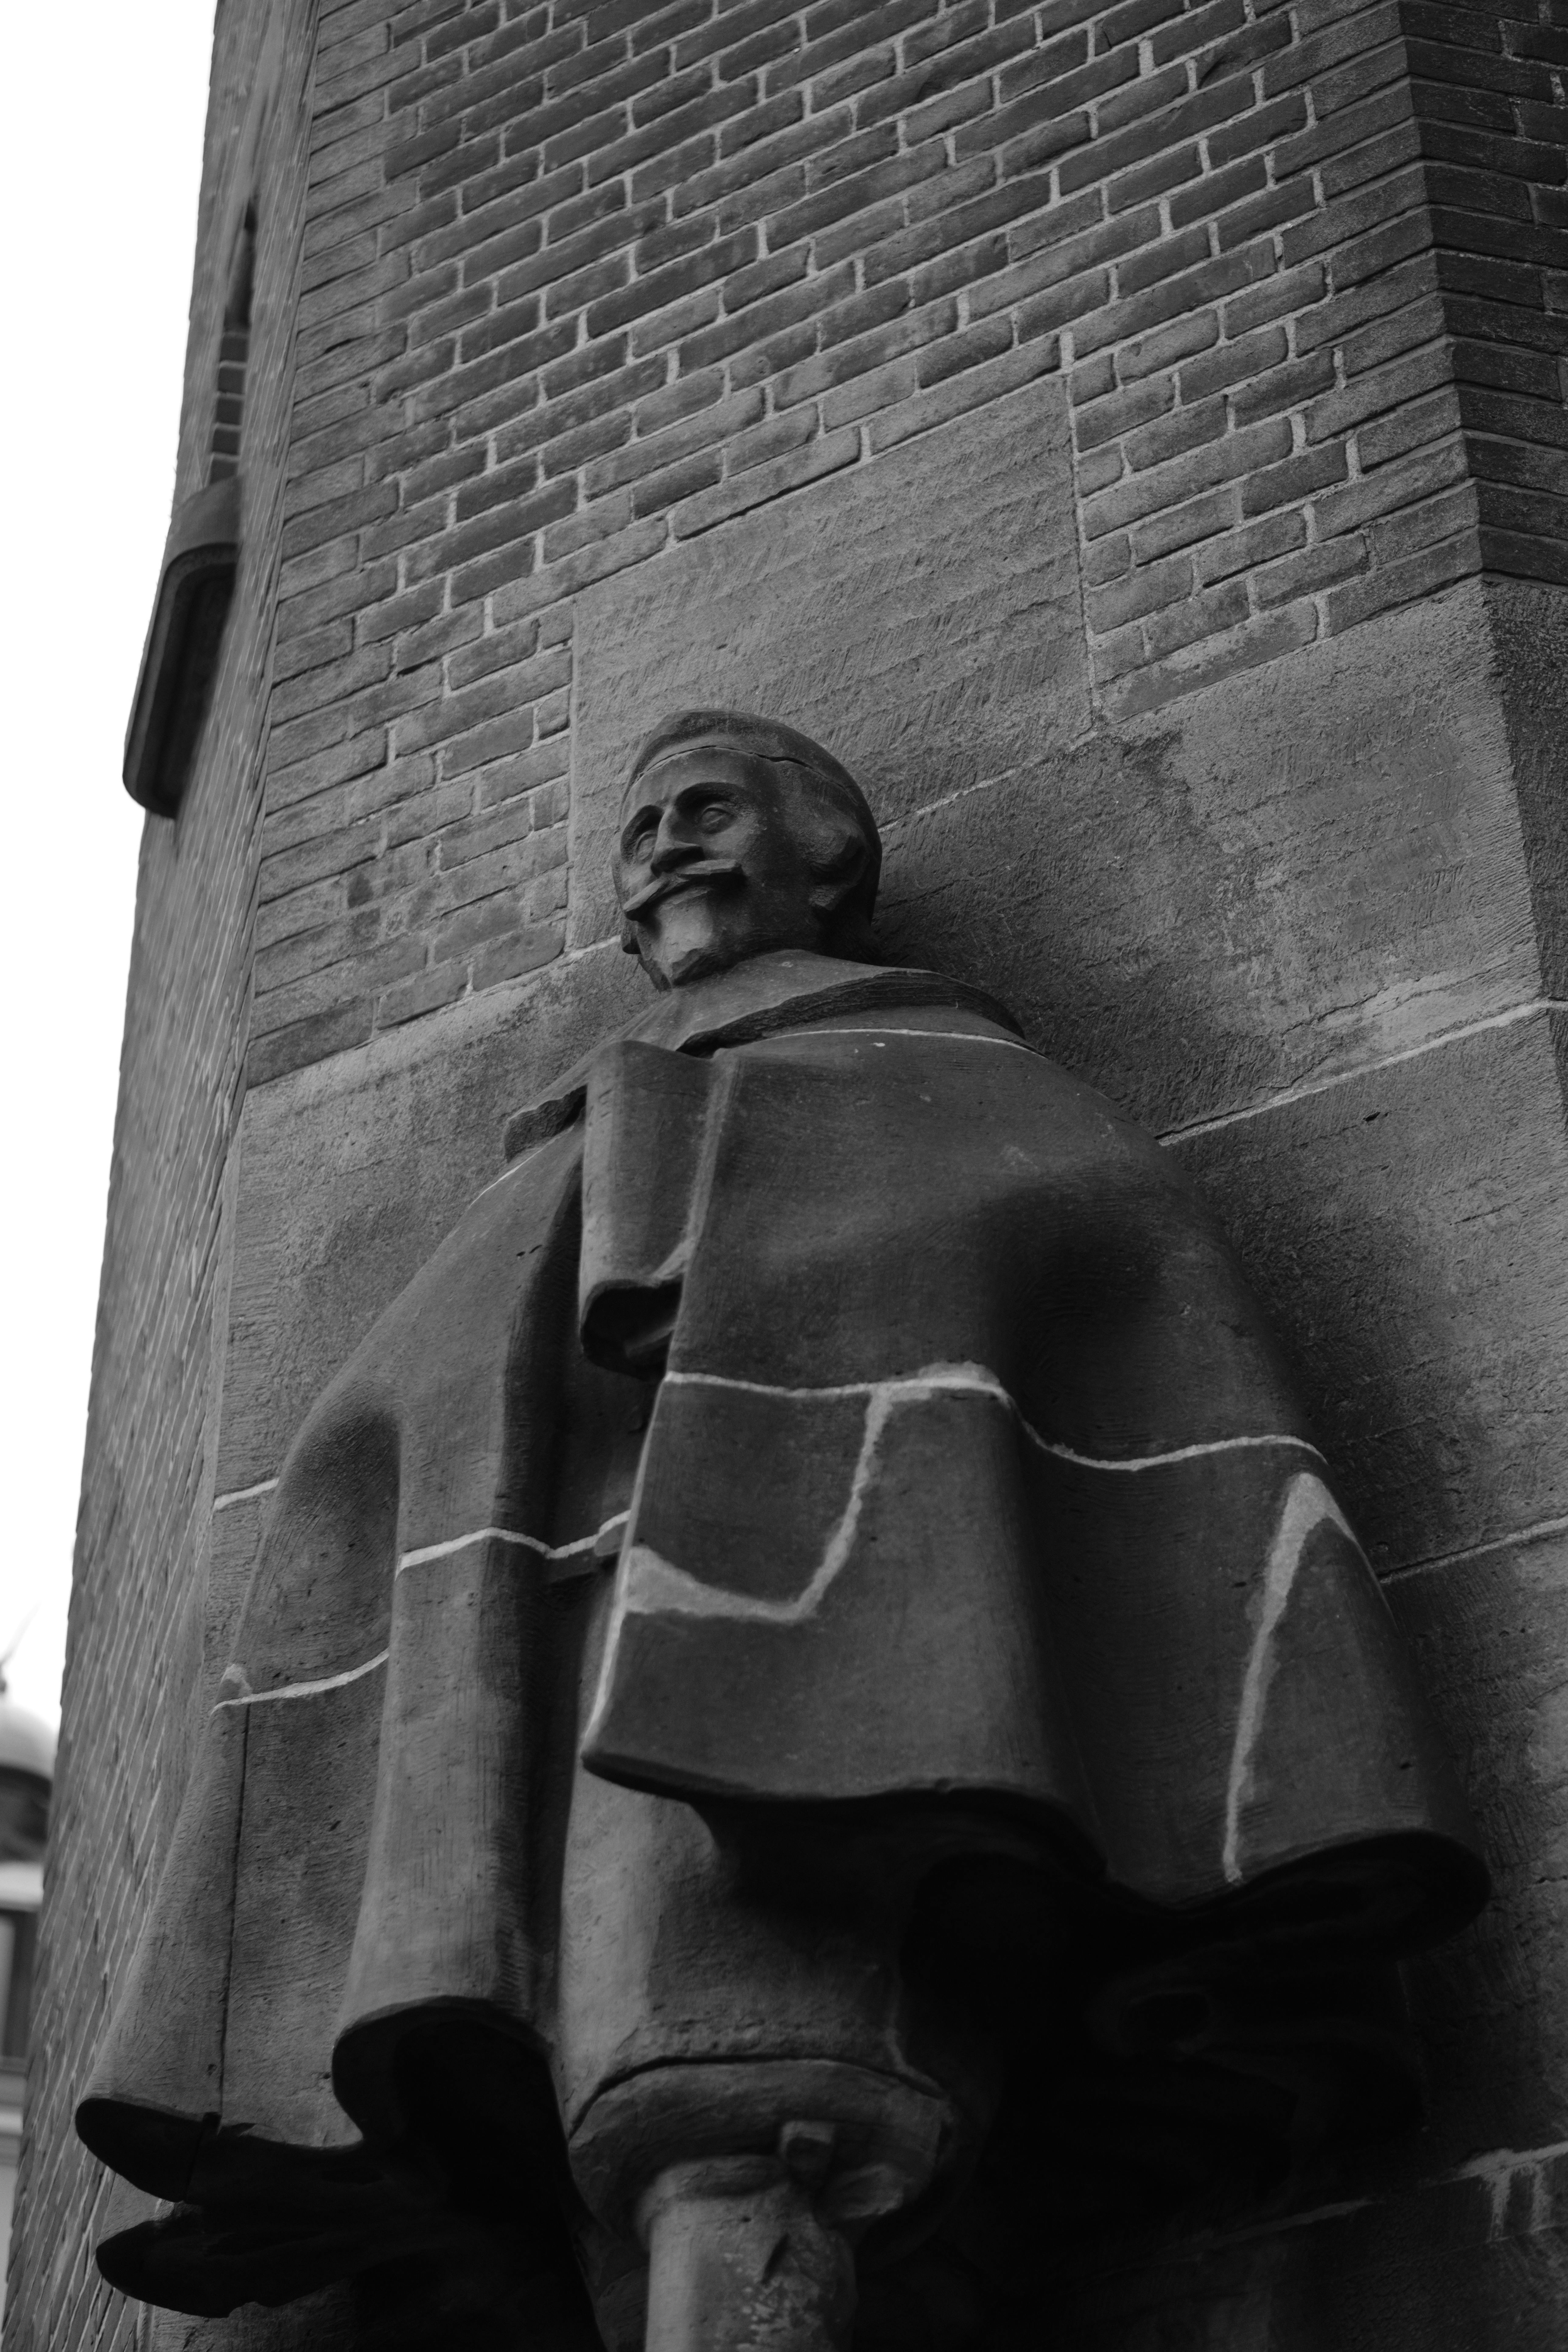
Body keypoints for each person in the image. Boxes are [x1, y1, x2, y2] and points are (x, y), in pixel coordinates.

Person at [78, 711, 1487, 2352]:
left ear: (831, 862)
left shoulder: (964, 1101)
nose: (667, 844)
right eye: (641, 829)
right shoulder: (553, 1158)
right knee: (640, 2178)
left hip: (830, 1756)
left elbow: (1113, 1322)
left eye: (709, 809)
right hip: (568, 1750)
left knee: (749, 2124)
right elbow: (372, 1470)